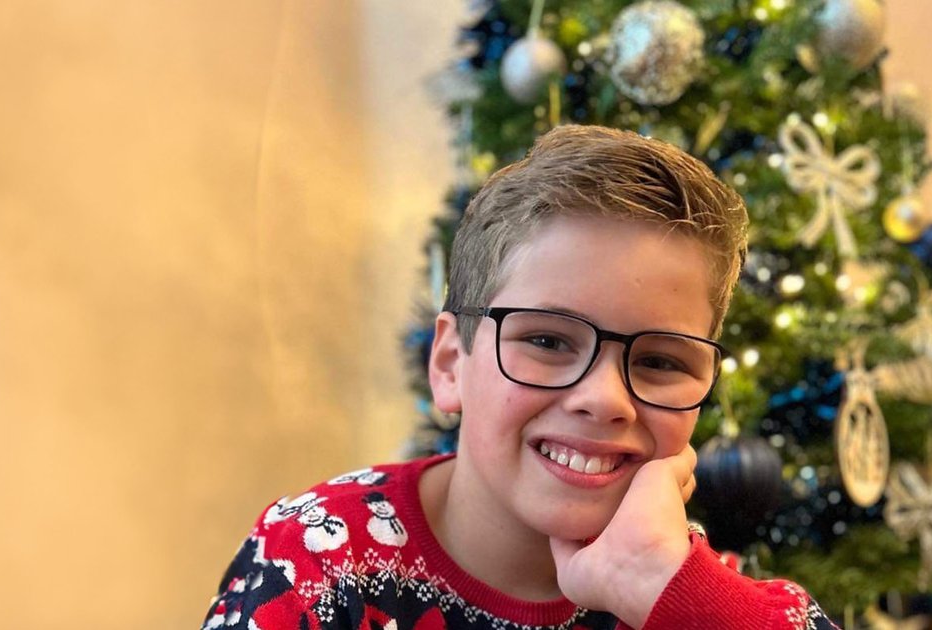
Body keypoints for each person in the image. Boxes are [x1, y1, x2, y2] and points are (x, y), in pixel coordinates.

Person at [202, 125, 837, 629]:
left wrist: (664, 590)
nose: (605, 399)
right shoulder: (314, 559)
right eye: (547, 340)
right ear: (451, 364)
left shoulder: (690, 600)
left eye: (660, 361)